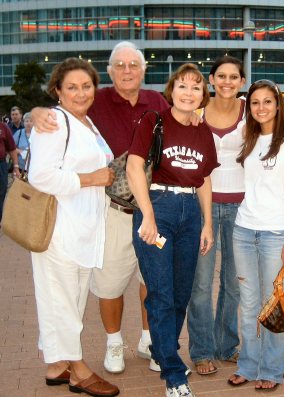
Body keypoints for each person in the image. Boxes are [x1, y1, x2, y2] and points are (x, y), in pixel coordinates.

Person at [32, 41, 169, 374]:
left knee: (152, 280)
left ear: (143, 69)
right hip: (113, 212)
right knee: (108, 283)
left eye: (133, 65)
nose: (126, 71)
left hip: (153, 209)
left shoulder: (157, 101)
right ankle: (113, 343)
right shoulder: (95, 102)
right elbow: (59, 117)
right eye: (119, 65)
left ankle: (148, 340)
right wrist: (38, 113)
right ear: (109, 73)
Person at [28, 57, 119, 397]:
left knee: (67, 298)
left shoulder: (86, 123)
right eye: (72, 87)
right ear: (57, 91)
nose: (80, 93)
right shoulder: (54, 122)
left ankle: (56, 365)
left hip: (84, 226)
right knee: (63, 300)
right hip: (60, 228)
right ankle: (78, 370)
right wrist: (90, 178)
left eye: (86, 86)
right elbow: (40, 175)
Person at [127, 63, 218, 397]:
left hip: (190, 211)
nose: (189, 92)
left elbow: (205, 177)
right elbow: (134, 165)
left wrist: (207, 222)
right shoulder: (154, 120)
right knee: (162, 291)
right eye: (182, 85)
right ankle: (174, 373)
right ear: (171, 90)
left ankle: (162, 349)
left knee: (181, 292)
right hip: (158, 207)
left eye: (196, 87)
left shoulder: (202, 130)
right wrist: (147, 216)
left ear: (201, 95)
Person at [228, 79, 284, 391]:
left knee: (274, 303)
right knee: (249, 304)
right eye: (255, 102)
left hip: (277, 232)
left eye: (267, 101)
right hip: (245, 229)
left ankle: (273, 370)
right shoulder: (247, 137)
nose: (261, 107)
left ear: (279, 105)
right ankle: (248, 365)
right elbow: (212, 127)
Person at [187, 55, 245, 375]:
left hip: (242, 209)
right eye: (220, 76)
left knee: (234, 283)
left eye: (233, 77)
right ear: (211, 80)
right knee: (201, 283)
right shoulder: (195, 115)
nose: (226, 82)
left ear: (241, 81)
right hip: (204, 208)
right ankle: (202, 350)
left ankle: (226, 345)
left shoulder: (253, 110)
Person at [0, 122, 20, 223]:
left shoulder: (3, 127)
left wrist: (16, 167)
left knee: (1, 191)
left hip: (1, 165)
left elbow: (12, 148)